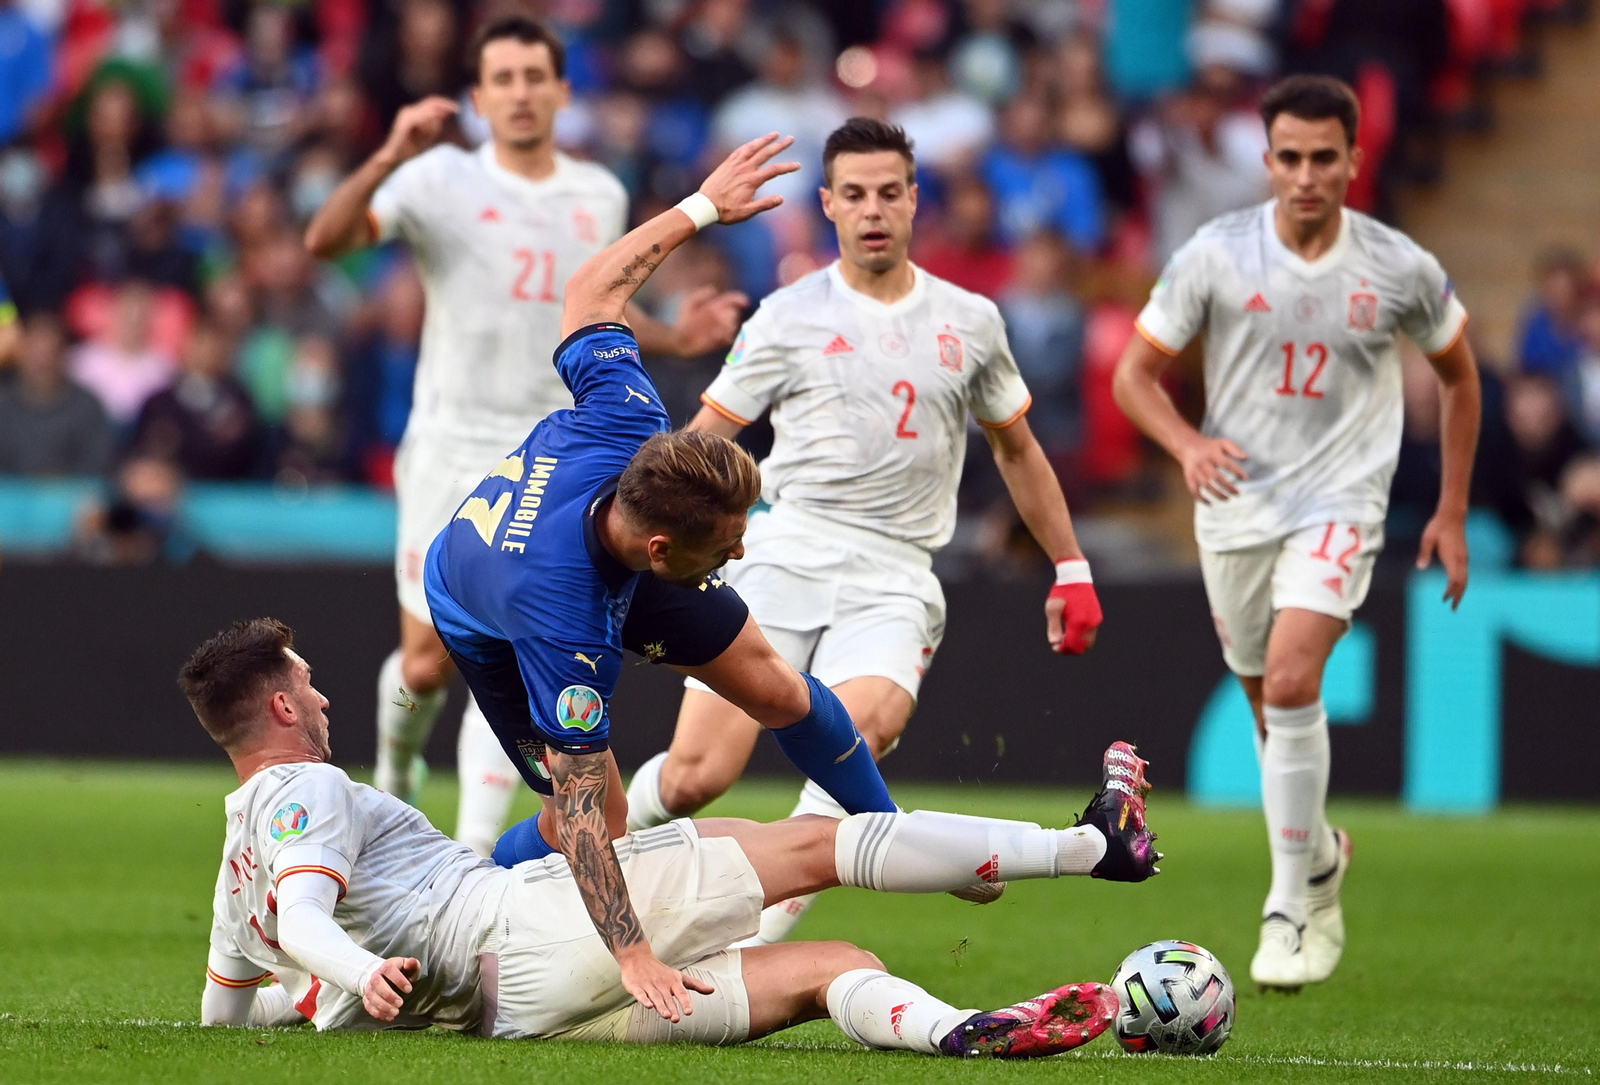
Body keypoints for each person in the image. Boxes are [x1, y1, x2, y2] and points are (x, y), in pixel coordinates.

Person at [422, 131, 935, 1016]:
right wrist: (633, 956)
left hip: (599, 554)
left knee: (781, 687)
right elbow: (585, 817)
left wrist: (701, 207)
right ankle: (456, 889)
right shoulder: (562, 623)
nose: (741, 552)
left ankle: (889, 833)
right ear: (664, 551)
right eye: (727, 544)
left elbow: (588, 291)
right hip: (485, 611)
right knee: (600, 816)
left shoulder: (632, 414)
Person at [183, 617, 1160, 1050]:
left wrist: (327, 996)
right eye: (305, 680)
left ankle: (954, 1031)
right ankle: (1089, 845)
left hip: (516, 1016)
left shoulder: (237, 868)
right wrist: (357, 974)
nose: (318, 692)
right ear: (278, 702)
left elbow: (228, 1018)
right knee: (815, 845)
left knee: (831, 963)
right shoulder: (302, 786)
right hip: (528, 924)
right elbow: (311, 911)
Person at [626, 118, 1104, 947]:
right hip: (784, 548)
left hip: (896, 573)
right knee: (700, 775)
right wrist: (637, 540)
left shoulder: (973, 320)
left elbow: (1019, 450)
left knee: (856, 737)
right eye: (855, 194)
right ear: (830, 205)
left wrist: (1071, 567)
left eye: (889, 192)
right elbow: (705, 440)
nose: (873, 209)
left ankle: (747, 946)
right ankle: (601, 842)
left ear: (916, 200)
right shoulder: (788, 314)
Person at [303, 14, 745, 856]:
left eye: (534, 77)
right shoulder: (439, 179)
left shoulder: (598, 193)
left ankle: (470, 853)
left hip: (559, 453)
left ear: (562, 90)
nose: (520, 93)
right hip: (452, 440)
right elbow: (325, 240)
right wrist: (391, 153)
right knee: (429, 665)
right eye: (502, 79)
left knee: (517, 642)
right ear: (479, 96)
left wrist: (678, 335)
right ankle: (397, 770)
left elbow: (600, 310)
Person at [1111, 75, 1480, 991]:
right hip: (1234, 505)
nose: (1307, 175)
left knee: (1289, 680)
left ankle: (1288, 903)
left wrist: (1452, 509)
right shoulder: (1216, 253)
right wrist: (1188, 446)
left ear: (1356, 160)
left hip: (1339, 501)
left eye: (1326, 158)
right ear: (1267, 160)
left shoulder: (1397, 266)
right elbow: (1133, 377)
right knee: (1264, 707)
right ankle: (1320, 851)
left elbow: (1463, 378)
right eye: (1290, 157)